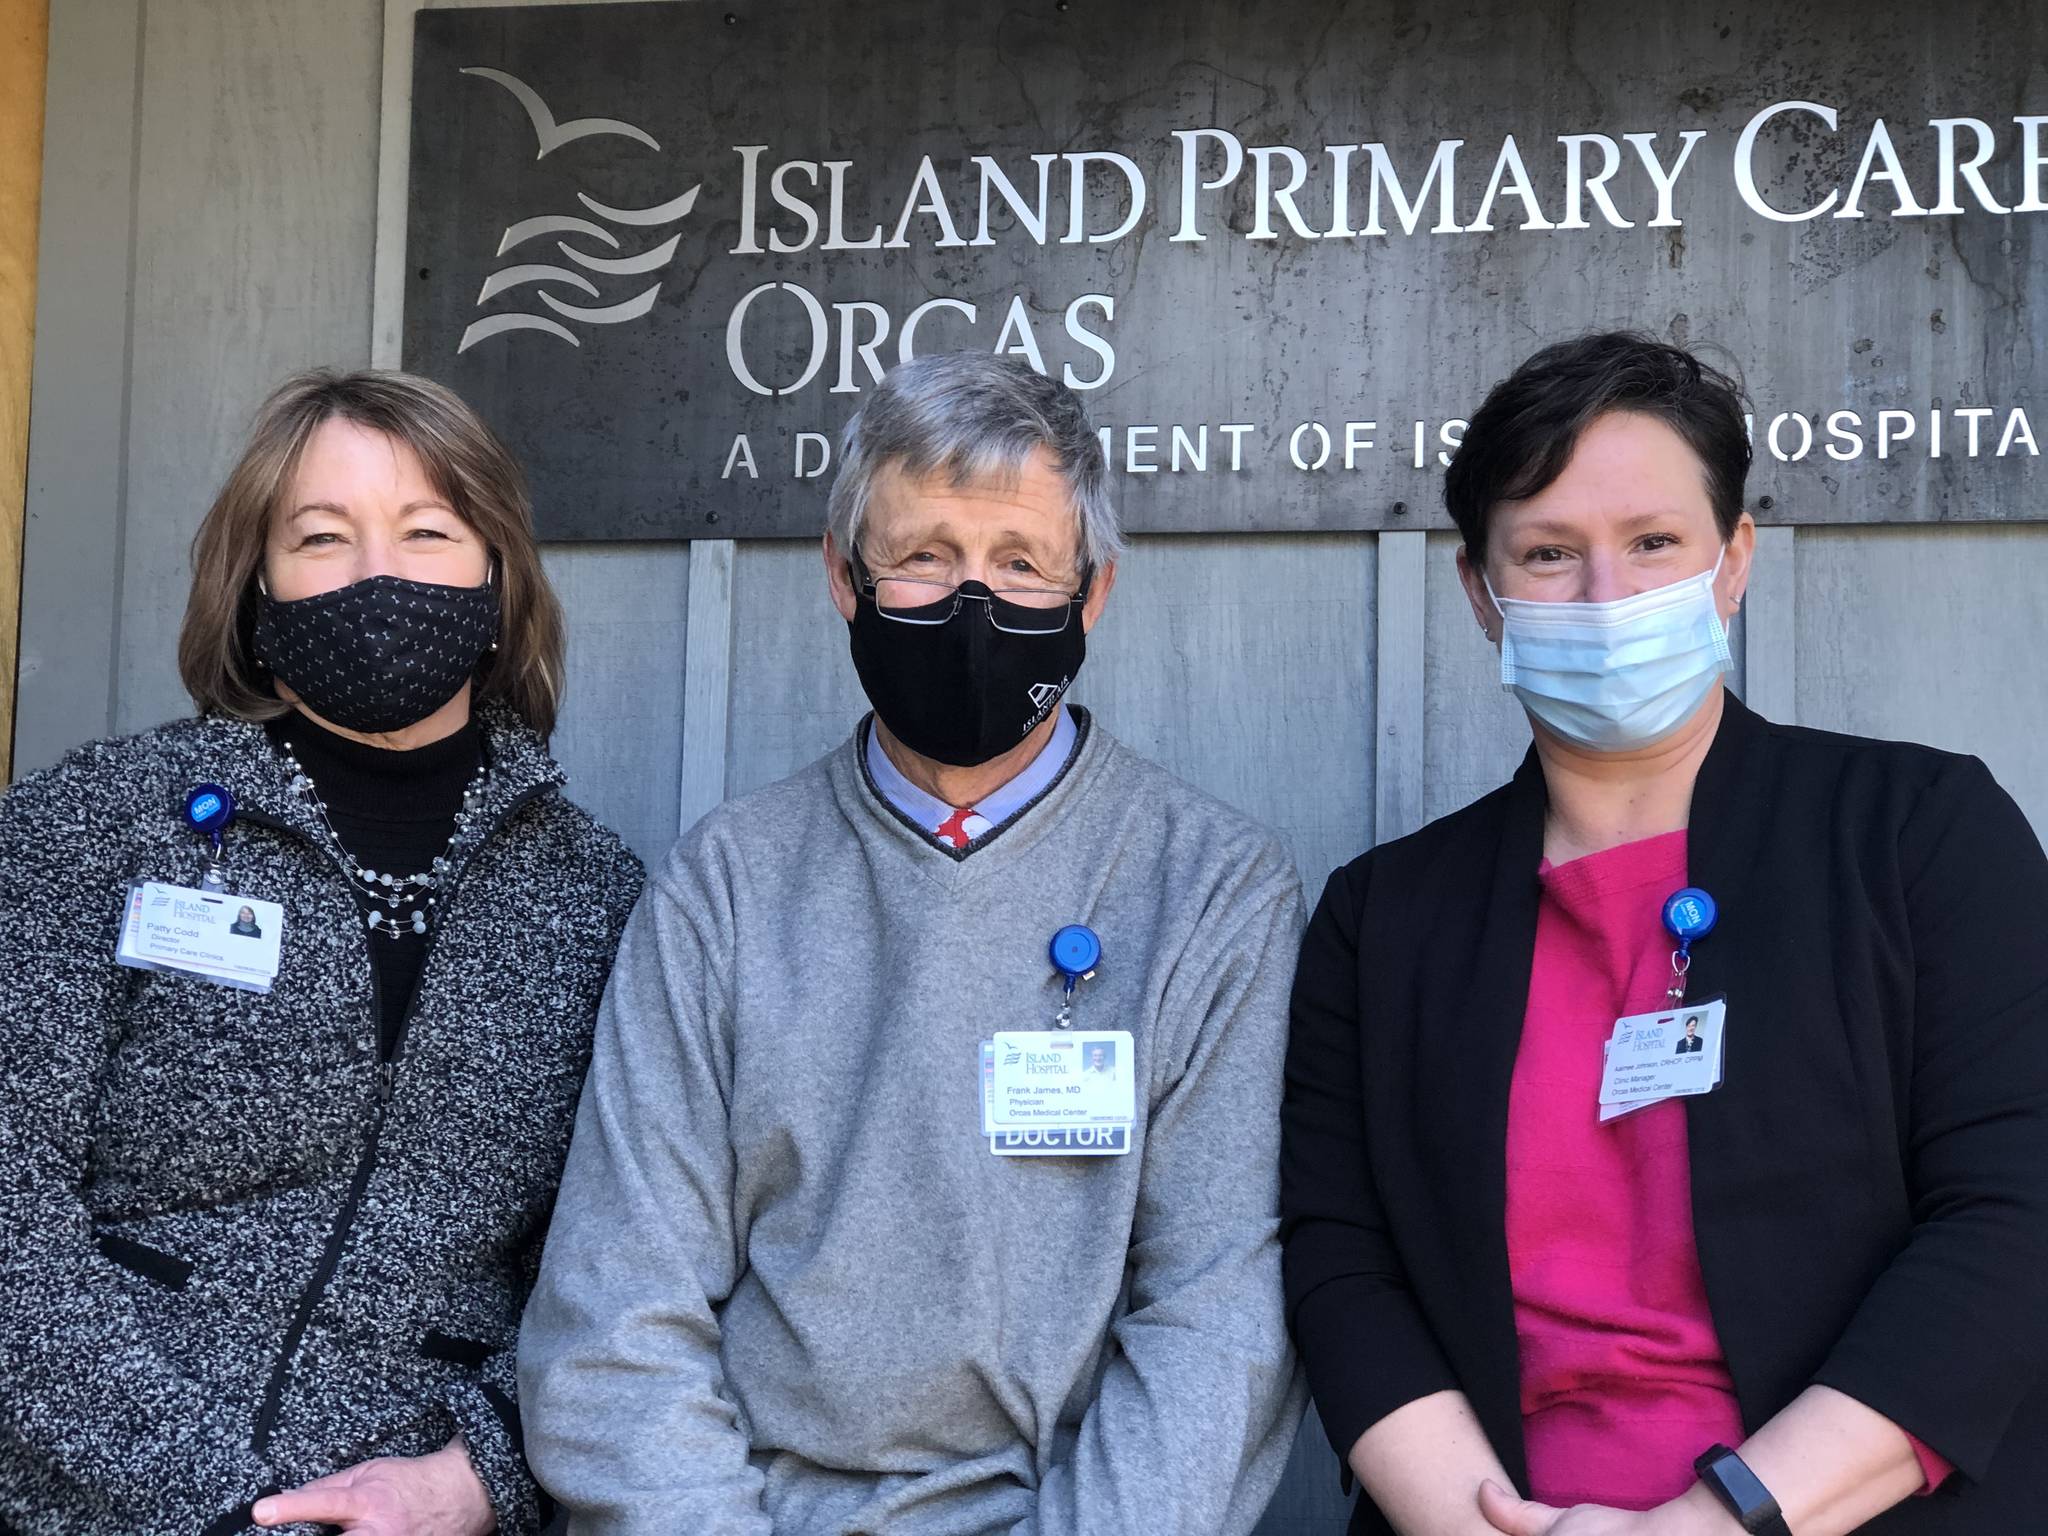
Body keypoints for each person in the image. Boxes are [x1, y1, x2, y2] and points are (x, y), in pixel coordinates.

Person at [519, 352, 1306, 1534]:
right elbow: (616, 1313)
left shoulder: (1211, 891)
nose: (970, 604)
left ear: (1089, 595)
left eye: (1019, 563)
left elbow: (1214, 1325)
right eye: (923, 558)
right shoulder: (723, 887)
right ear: (844, 578)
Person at [1281, 333, 2048, 1536]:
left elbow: (2012, 1218)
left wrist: (1717, 1519)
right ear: (1481, 597)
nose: (1606, 596)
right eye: (1545, 555)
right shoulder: (1382, 920)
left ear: (1731, 561)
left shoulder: (1918, 835)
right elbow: (1340, 1263)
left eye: (1652, 543)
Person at [0, 369, 643, 1536]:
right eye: (321, 537)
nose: (376, 576)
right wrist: (214, 1503)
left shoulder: (595, 896)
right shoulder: (91, 827)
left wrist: (476, 1478)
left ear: (498, 578)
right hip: (84, 1500)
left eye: (427, 532)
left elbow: (614, 1272)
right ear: (258, 587)